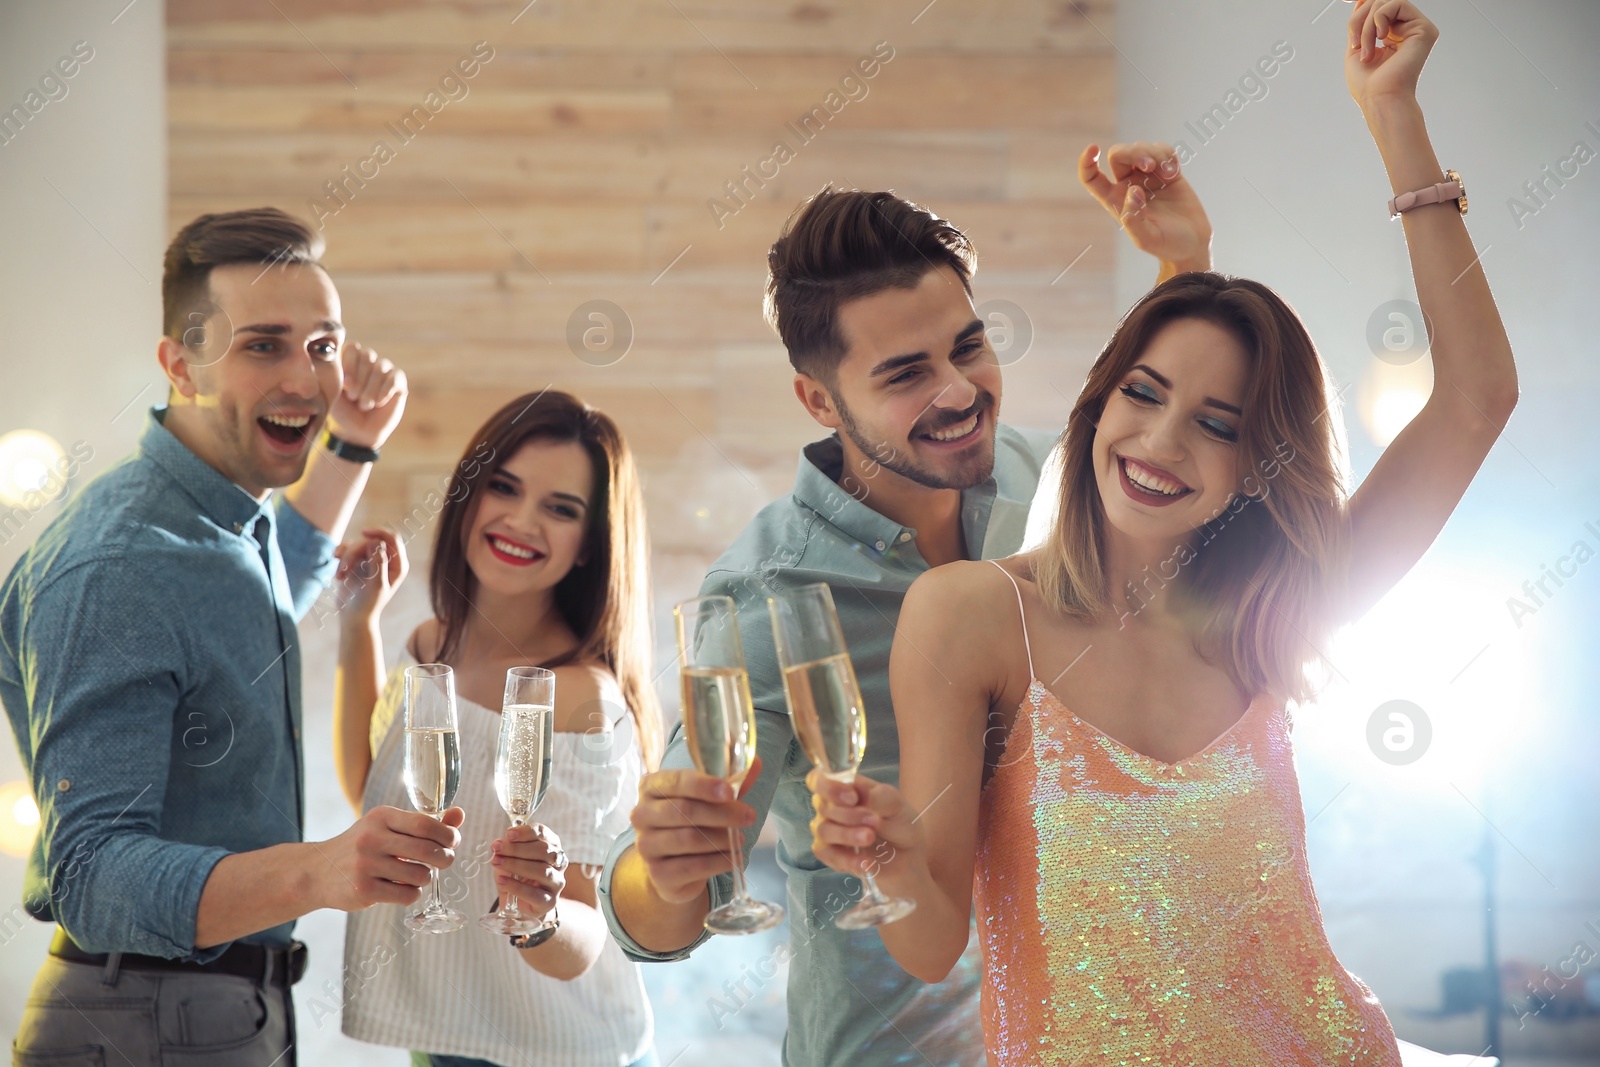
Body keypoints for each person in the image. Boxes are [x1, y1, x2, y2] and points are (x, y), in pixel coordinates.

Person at [807, 3, 1516, 1064]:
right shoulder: (973, 615)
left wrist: (1392, 115)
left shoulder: (1269, 612)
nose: (1160, 439)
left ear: (1252, 470)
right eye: (1139, 394)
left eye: (1218, 426)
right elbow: (930, 938)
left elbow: (1474, 398)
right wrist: (888, 861)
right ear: (1098, 405)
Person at [598, 144, 1215, 1065]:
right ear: (819, 399)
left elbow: (1171, 434)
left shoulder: (1054, 478)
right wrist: (662, 859)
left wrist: (1184, 264)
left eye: (969, 346)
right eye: (905, 375)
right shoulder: (764, 591)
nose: (960, 392)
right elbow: (660, 918)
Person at [1, 208, 460, 1066]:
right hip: (141, 1025)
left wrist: (353, 447)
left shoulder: (215, 520)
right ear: (180, 363)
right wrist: (318, 871)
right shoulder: (118, 567)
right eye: (263, 345)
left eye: (323, 345)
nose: (306, 378)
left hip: (213, 1015)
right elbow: (92, 875)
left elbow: (254, 586)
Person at [333, 390, 662, 1067]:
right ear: (468, 497)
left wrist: (538, 913)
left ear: (587, 546)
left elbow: (592, 934)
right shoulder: (432, 646)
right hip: (445, 1039)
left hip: (561, 1051)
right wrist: (357, 625)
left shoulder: (579, 698)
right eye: (504, 487)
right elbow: (374, 794)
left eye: (560, 508)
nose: (520, 519)